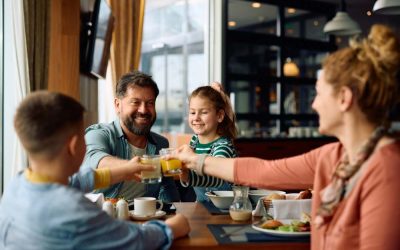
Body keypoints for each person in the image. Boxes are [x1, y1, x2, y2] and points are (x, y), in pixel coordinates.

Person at [168, 24, 400, 250]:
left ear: (344, 98)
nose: (314, 104)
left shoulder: (388, 169)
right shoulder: (333, 156)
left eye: (319, 93)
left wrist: (196, 162)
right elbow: (264, 172)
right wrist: (195, 161)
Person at [0, 91, 190, 249]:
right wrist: (171, 228)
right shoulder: (73, 210)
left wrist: (124, 171)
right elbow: (136, 241)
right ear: (74, 145)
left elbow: (76, 181)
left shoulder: (16, 186)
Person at [82, 71, 180, 202]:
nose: (144, 110)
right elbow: (94, 160)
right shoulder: (99, 134)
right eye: (135, 102)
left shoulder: (161, 144)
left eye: (150, 103)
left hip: (144, 218)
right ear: (118, 105)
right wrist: (130, 167)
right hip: (102, 216)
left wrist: (174, 211)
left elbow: (167, 187)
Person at [180, 84, 237, 202]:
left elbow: (217, 177)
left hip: (227, 211)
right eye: (192, 112)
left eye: (204, 112)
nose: (196, 118)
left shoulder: (223, 146)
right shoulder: (194, 141)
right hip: (202, 206)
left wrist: (188, 176)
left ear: (220, 116)